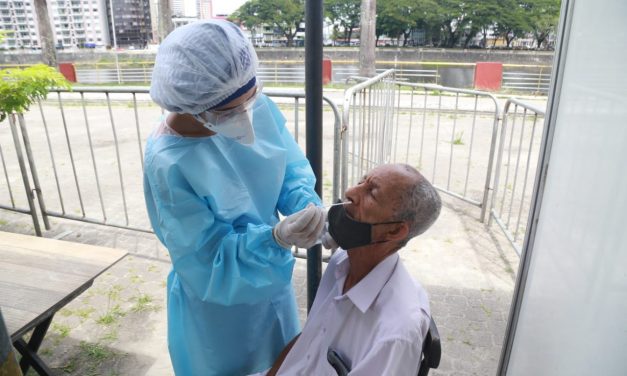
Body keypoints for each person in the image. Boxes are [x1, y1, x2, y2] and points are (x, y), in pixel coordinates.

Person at [143, 20, 326, 375]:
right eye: (230, 112)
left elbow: (287, 164)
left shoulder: (248, 100)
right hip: (215, 307)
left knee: (282, 362)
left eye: (251, 100)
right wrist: (275, 238)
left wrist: (306, 206)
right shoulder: (168, 163)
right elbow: (206, 259)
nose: (246, 118)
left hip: (271, 281)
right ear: (194, 107)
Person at [258, 163, 442, 376]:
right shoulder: (342, 261)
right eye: (361, 182)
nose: (350, 192)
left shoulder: (395, 331)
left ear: (395, 230)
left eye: (371, 193)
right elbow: (308, 341)